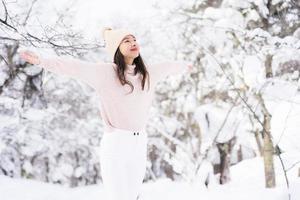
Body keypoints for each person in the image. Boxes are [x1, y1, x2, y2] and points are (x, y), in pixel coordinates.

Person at [19, 27, 193, 200]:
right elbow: (74, 67)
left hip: (139, 143)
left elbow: (169, 67)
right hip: (117, 144)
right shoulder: (105, 73)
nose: (133, 43)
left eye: (134, 39)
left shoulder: (147, 75)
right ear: (117, 48)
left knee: (132, 196)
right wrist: (42, 61)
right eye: (126, 40)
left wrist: (186, 66)